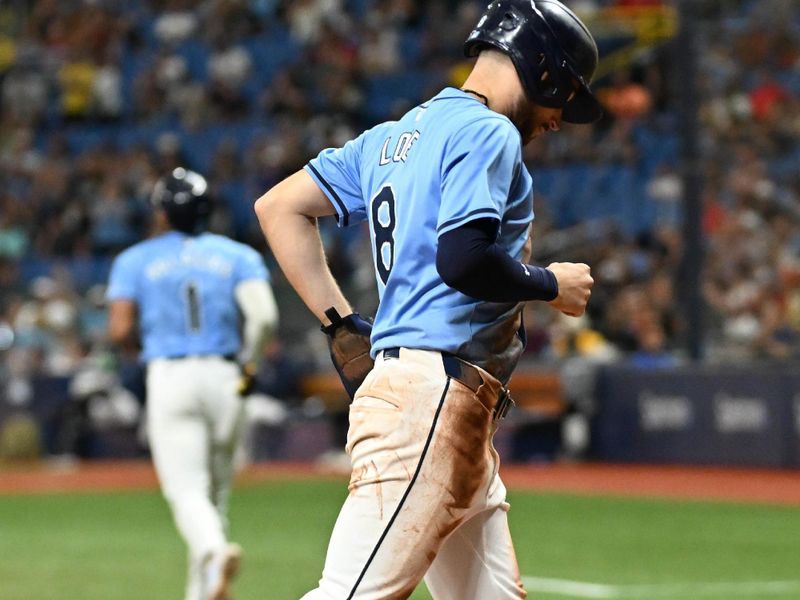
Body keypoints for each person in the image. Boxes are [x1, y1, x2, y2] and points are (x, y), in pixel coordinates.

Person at [255, 1, 598, 597]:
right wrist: (550, 284)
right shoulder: (489, 130)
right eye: (564, 93)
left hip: (446, 403)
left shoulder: (393, 137)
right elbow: (463, 259)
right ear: (541, 68)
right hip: (432, 400)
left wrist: (339, 324)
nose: (560, 117)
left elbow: (278, 207)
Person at [107, 167, 278, 600]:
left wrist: (139, 344)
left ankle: (214, 552)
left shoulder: (135, 259)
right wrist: (249, 364)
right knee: (214, 497)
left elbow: (120, 328)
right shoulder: (237, 255)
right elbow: (263, 318)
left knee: (186, 491)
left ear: (162, 212)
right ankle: (201, 590)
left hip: (171, 375)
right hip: (227, 376)